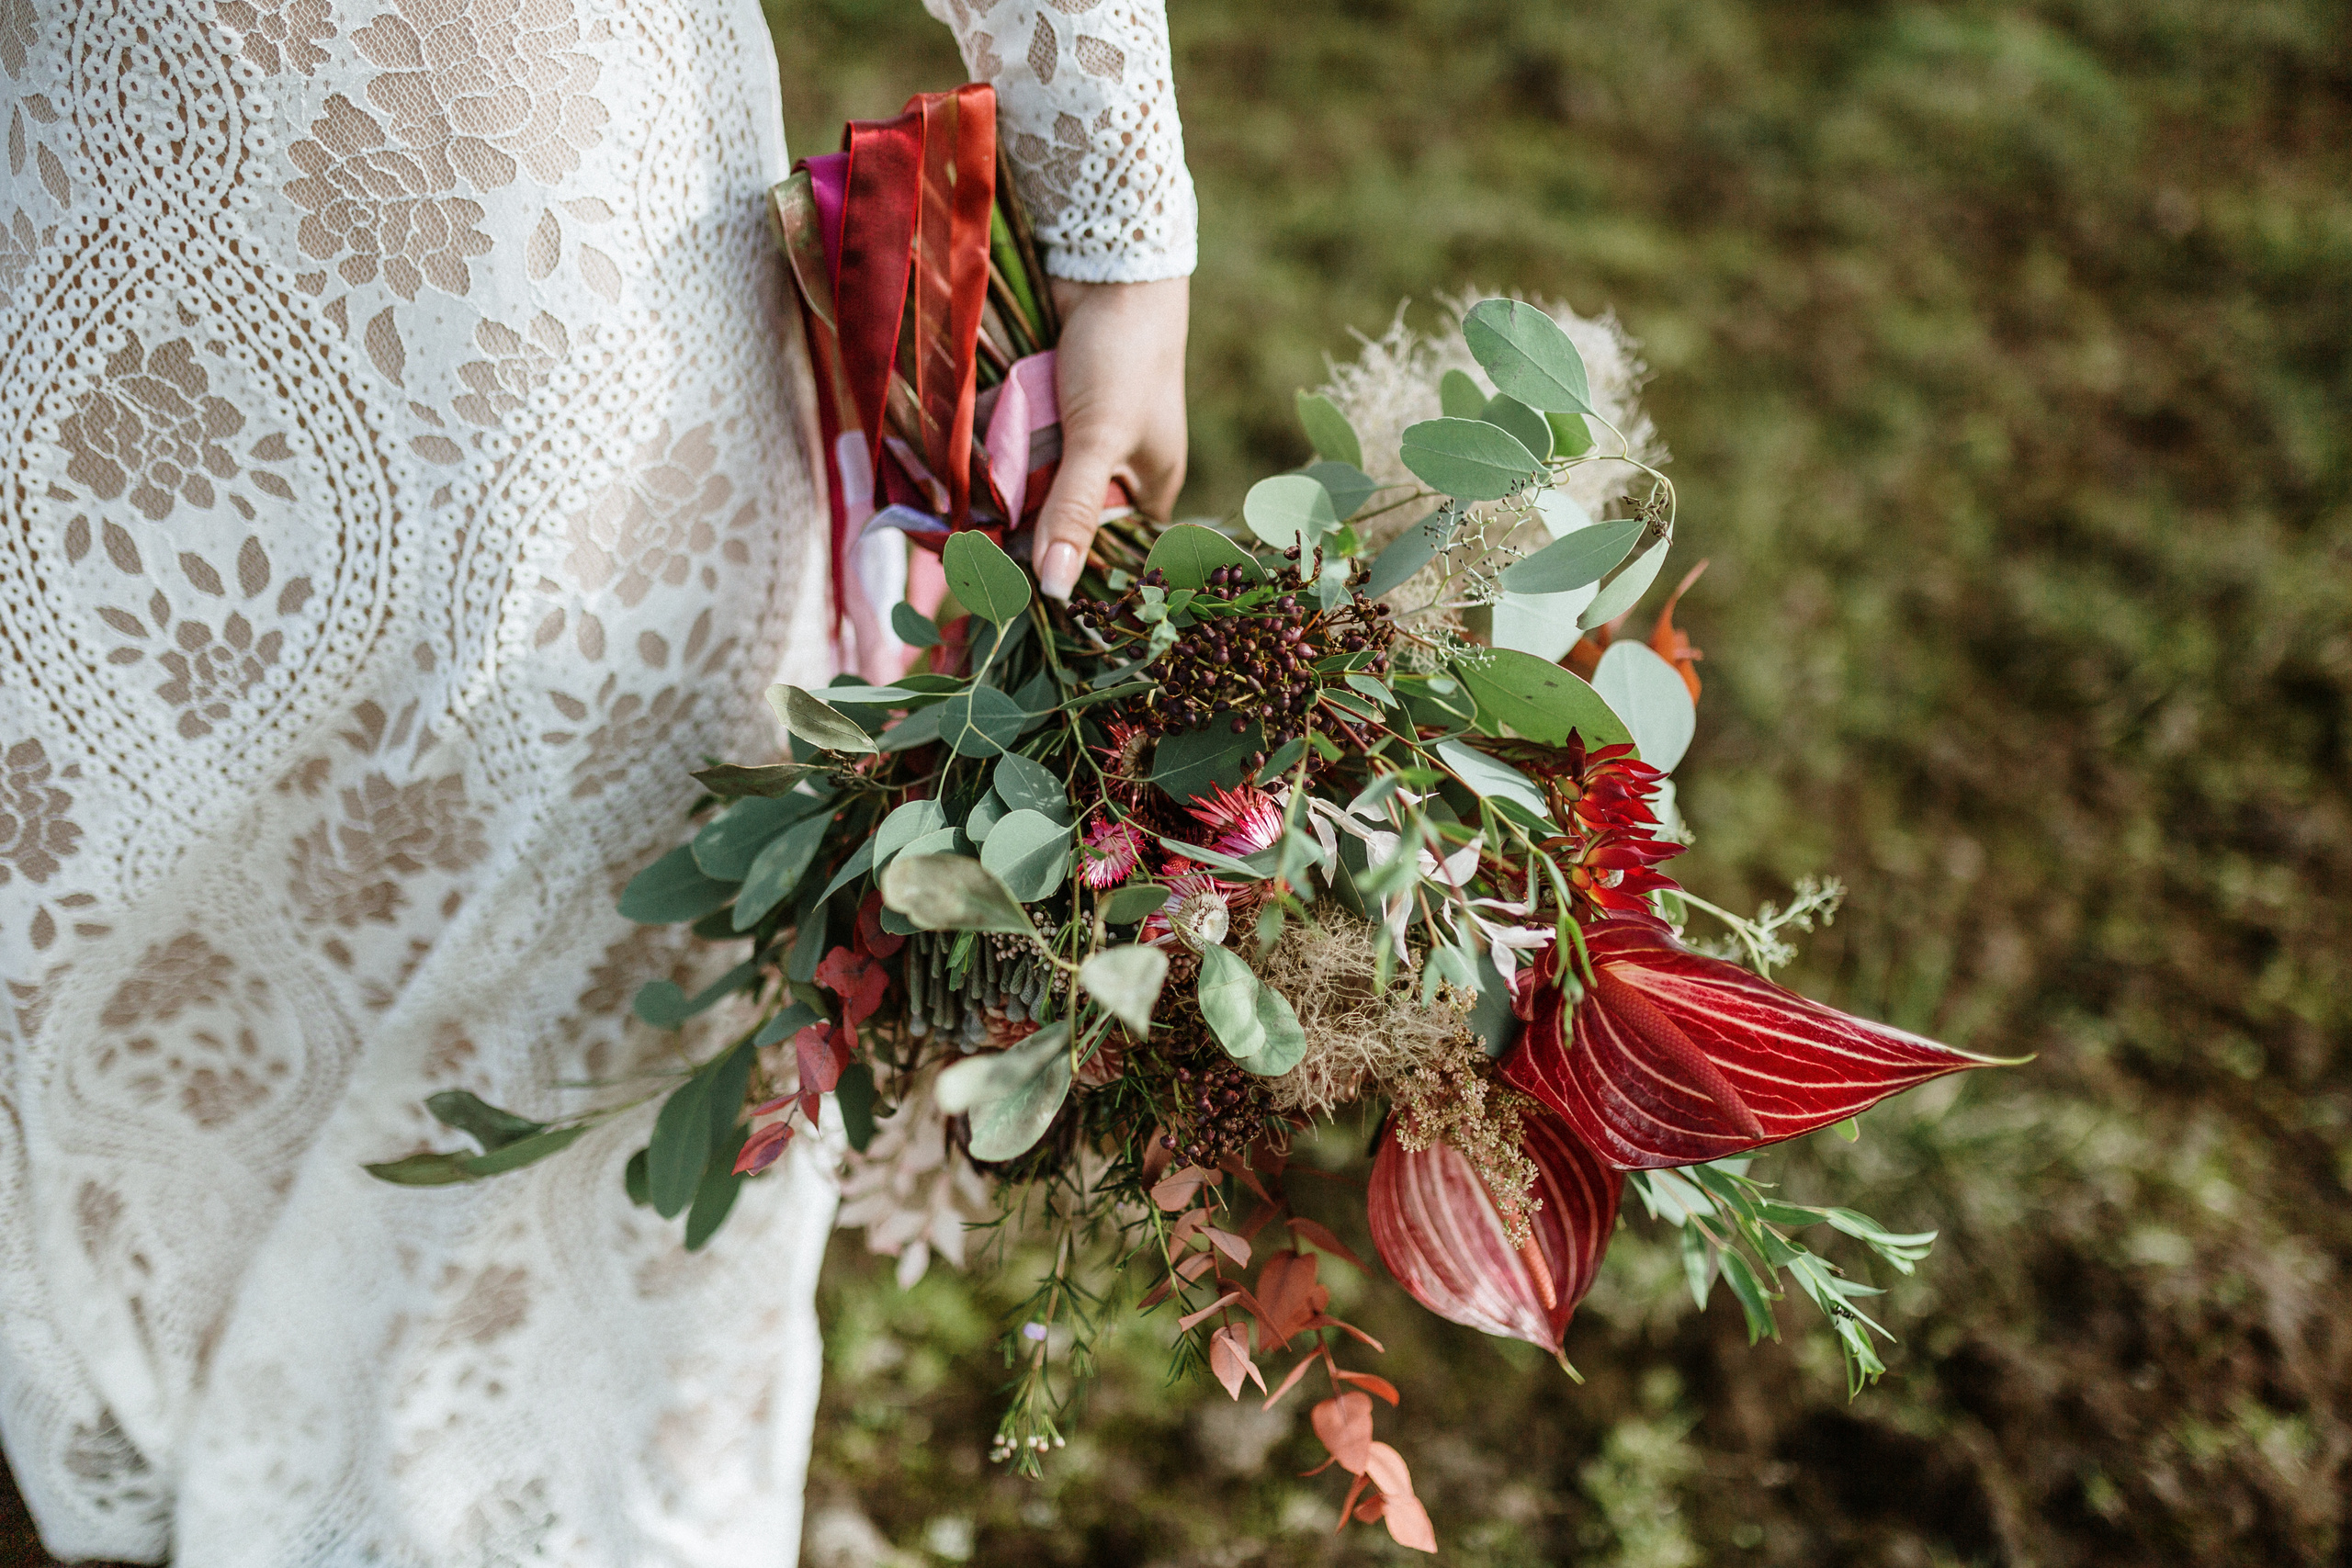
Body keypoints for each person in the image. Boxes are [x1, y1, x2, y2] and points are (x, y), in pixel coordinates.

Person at [0, 0, 1190, 1560]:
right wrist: (1119, 245)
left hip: (121, 261)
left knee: (123, 995)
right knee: (585, 1025)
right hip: (550, 292)